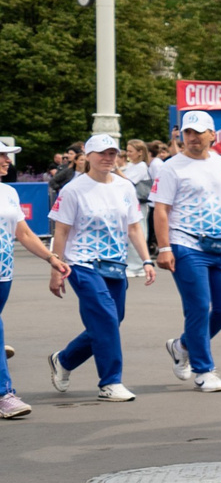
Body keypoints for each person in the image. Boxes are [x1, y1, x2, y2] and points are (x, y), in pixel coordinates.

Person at [44, 134, 158, 403]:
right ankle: (110, 382)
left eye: (112, 153)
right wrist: (55, 267)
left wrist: (146, 260)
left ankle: (65, 359)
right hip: (81, 263)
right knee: (106, 318)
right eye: (101, 153)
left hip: (114, 263)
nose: (108, 158)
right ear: (89, 157)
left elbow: (133, 227)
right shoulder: (73, 189)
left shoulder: (124, 186)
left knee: (111, 320)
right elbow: (61, 231)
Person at [150, 109, 221, 393]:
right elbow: (161, 209)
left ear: (212, 135)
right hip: (186, 243)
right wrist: (165, 247)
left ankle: (183, 344)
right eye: (188, 133)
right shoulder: (172, 167)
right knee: (197, 307)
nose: (192, 138)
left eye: (198, 133)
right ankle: (203, 370)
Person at [0, 136, 63, 419]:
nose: (7, 161)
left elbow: (23, 233)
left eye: (8, 156)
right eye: (1, 156)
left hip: (4, 274)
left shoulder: (8, 193)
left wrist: (51, 257)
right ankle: (4, 395)